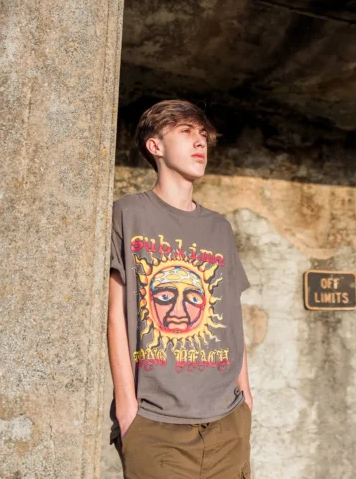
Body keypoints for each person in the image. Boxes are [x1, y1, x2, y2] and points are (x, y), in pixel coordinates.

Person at [107, 100, 252, 478]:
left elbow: (230, 317)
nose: (200, 142)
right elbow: (116, 314)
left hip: (227, 419)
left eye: (203, 135)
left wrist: (246, 395)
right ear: (155, 146)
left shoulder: (219, 228)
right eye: (186, 132)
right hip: (155, 422)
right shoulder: (127, 214)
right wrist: (127, 406)